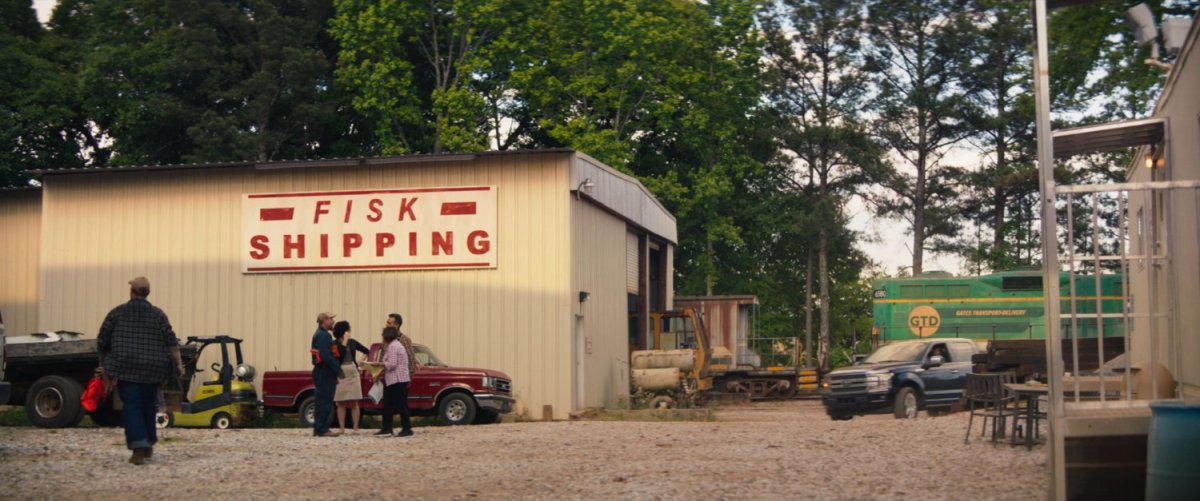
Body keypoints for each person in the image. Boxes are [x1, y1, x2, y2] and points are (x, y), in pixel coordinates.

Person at [96, 276, 184, 465]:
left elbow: (102, 341)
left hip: (126, 368)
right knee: (148, 405)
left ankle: (138, 447)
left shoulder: (117, 313)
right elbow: (171, 342)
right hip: (154, 370)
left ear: (131, 292)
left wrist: (104, 366)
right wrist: (178, 365)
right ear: (148, 293)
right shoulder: (158, 314)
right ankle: (148, 443)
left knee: (132, 406)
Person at [332, 320, 369, 433]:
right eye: (348, 329)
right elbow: (340, 355)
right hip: (341, 372)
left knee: (354, 401)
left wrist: (359, 362)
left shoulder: (352, 342)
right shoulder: (334, 344)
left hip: (352, 371)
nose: (350, 331)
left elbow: (366, 350)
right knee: (340, 402)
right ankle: (342, 428)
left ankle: (356, 428)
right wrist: (344, 341)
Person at [376, 326, 413, 437]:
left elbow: (392, 364)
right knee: (390, 404)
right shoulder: (397, 345)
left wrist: (381, 364)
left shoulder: (392, 346)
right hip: (398, 379)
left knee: (398, 405)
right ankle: (388, 427)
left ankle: (405, 428)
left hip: (396, 379)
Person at [310, 312, 341, 437]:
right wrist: (337, 370)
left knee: (322, 400)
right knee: (325, 401)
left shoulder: (321, 334)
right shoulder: (323, 336)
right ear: (324, 321)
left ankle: (319, 428)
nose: (333, 321)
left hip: (322, 371)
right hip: (324, 372)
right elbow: (327, 356)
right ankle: (322, 429)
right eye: (331, 319)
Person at [386, 313, 418, 378]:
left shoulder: (405, 340)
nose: (386, 325)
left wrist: (407, 379)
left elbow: (412, 361)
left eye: (389, 323)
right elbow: (383, 359)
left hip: (401, 380)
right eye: (387, 323)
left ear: (396, 325)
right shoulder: (386, 340)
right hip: (388, 379)